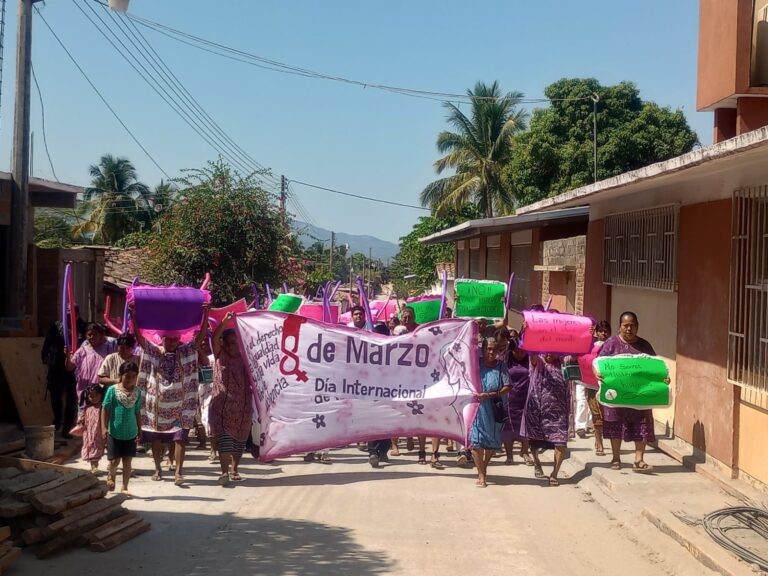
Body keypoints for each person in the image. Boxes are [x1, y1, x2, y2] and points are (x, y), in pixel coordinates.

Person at [131, 302, 210, 486]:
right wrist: (134, 316)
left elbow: (200, 338)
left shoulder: (186, 351)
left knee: (180, 438)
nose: (172, 342)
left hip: (181, 406)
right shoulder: (154, 352)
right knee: (156, 439)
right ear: (163, 340)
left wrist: (206, 314)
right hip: (156, 408)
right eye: (169, 340)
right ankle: (158, 469)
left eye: (175, 339)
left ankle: (178, 473)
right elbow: (139, 338)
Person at [598, 312, 664, 473]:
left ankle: (639, 459)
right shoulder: (610, 344)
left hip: (639, 396)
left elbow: (655, 368)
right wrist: (598, 373)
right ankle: (615, 457)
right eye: (625, 325)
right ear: (620, 326)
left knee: (642, 424)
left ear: (637, 326)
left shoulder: (644, 346)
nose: (629, 328)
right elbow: (599, 363)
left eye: (632, 325)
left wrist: (663, 379)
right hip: (616, 395)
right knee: (615, 423)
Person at [209, 315, 254, 485]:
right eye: (228, 342)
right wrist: (225, 321)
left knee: (240, 440)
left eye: (235, 342)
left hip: (242, 407)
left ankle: (234, 469)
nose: (231, 346)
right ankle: (224, 472)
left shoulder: (247, 358)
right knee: (225, 439)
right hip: (222, 407)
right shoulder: (221, 356)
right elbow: (214, 338)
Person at [400, 307, 444, 469]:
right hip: (407, 383)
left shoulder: (422, 332)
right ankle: (417, 444)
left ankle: (433, 454)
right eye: (404, 317)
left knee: (432, 418)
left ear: (414, 317)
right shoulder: (398, 334)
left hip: (428, 380)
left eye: (409, 317)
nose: (406, 319)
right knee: (415, 417)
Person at [522, 352, 570, 486]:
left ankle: (554, 473)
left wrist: (587, 336)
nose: (550, 354)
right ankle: (537, 462)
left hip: (559, 413)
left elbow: (576, 356)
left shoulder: (563, 362)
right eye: (547, 351)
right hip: (538, 411)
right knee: (535, 442)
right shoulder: (539, 362)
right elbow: (532, 355)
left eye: (552, 351)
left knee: (561, 442)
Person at [470, 338, 511, 487]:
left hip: (494, 409)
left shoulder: (501, 367)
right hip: (477, 409)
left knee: (491, 444)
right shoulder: (475, 364)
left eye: (493, 349)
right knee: (475, 444)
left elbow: (508, 386)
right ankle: (481, 475)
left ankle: (484, 466)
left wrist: (490, 394)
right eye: (488, 349)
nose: (491, 352)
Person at [42, 305, 86, 438]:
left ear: (77, 315)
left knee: (72, 398)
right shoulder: (57, 326)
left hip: (74, 367)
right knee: (55, 395)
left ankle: (67, 427)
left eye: (71, 315)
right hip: (57, 365)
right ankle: (57, 419)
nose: (68, 317)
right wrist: (45, 356)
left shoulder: (83, 327)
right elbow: (48, 343)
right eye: (66, 315)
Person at [101, 361, 142, 496]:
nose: (130, 379)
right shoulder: (112, 390)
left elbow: (137, 412)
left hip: (130, 433)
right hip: (114, 432)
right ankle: (111, 476)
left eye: (133, 376)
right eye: (127, 376)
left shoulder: (137, 392)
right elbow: (105, 409)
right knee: (114, 460)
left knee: (127, 461)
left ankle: (124, 486)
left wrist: (139, 430)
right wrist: (103, 428)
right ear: (120, 375)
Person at [501, 339, 534, 466]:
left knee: (525, 427)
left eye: (523, 350)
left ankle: (525, 452)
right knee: (508, 429)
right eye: (517, 350)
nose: (520, 353)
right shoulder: (505, 362)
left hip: (526, 399)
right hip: (509, 400)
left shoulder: (530, 361)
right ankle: (509, 456)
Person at [66, 323, 117, 403]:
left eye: (94, 334)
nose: (92, 337)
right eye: (89, 335)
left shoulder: (108, 348)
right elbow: (69, 367)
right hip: (85, 392)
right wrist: (67, 356)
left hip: (101, 392)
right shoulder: (82, 350)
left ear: (101, 335)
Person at [367, 322, 393, 468]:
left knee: (385, 423)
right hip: (374, 391)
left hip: (387, 392)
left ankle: (382, 450)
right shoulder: (368, 350)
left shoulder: (394, 349)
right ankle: (373, 451)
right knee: (376, 423)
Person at [587, 321, 611, 456]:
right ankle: (599, 442)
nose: (603, 333)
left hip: (608, 386)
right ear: (596, 332)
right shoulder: (590, 345)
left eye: (606, 331)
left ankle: (600, 439)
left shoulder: (613, 346)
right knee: (597, 415)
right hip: (592, 386)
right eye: (601, 331)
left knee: (606, 415)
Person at [76, 384, 105, 474]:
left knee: (97, 448)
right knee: (91, 448)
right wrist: (80, 420)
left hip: (98, 433)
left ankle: (95, 466)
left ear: (101, 395)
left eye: (97, 395)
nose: (94, 398)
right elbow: (82, 417)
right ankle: (94, 467)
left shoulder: (102, 407)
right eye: (91, 396)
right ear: (87, 397)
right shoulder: (86, 408)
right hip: (88, 433)